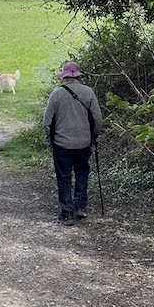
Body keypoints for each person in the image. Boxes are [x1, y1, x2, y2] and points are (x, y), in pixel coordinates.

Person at [42, 62, 103, 226]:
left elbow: (47, 122)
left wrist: (50, 139)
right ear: (78, 76)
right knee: (82, 173)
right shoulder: (88, 92)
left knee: (64, 177)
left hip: (61, 144)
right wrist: (93, 137)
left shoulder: (56, 94)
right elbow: (97, 119)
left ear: (64, 77)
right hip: (84, 143)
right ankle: (80, 207)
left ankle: (66, 213)